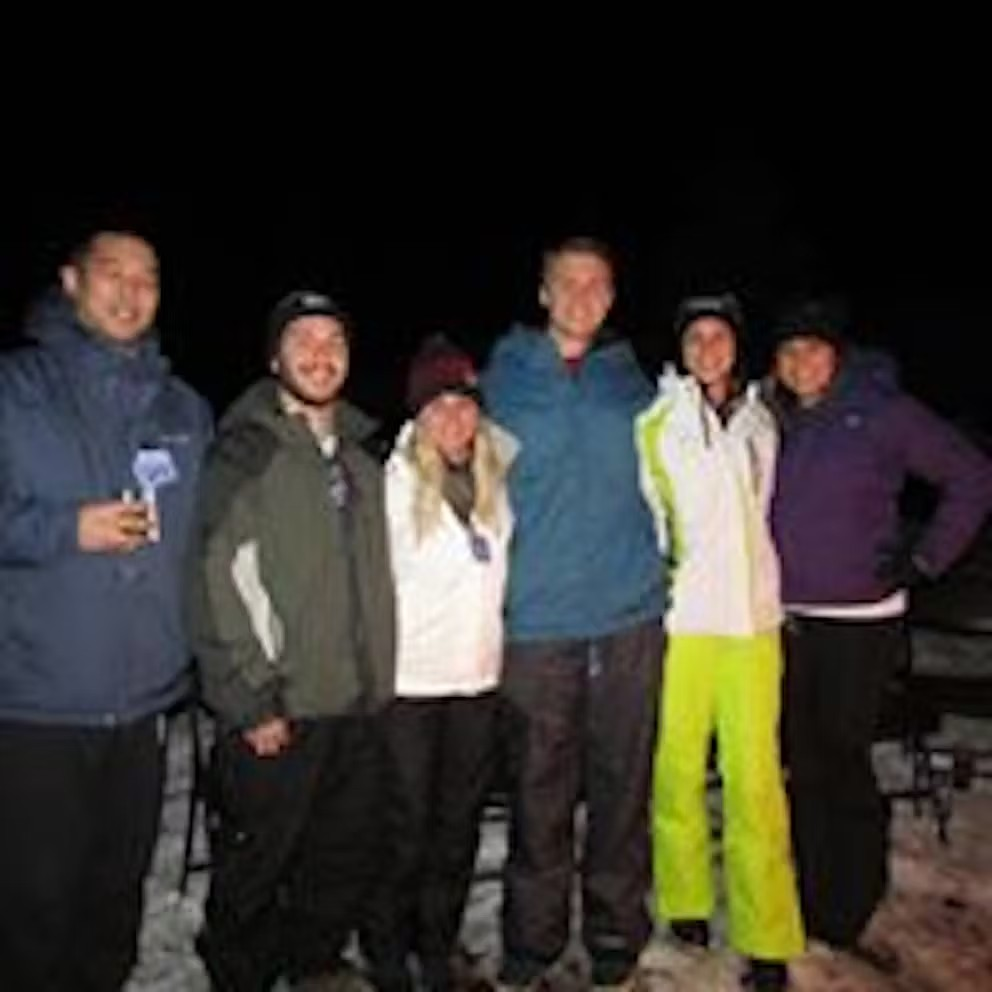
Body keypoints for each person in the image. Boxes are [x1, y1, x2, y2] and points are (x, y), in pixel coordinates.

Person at [0, 229, 212, 991]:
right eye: (110, 273)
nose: (130, 291)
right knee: (33, 904)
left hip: (144, 706)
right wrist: (63, 529)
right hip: (38, 706)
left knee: (113, 900)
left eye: (147, 278)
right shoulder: (16, 389)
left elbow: (209, 548)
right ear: (70, 280)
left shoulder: (184, 409)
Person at [768, 296, 992, 954]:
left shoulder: (882, 410)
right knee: (802, 762)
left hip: (860, 622)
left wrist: (924, 558)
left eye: (811, 347)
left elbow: (973, 476)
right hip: (788, 618)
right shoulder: (780, 420)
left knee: (842, 757)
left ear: (837, 353)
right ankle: (810, 892)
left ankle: (850, 900)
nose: (799, 361)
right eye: (787, 351)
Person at [187, 290, 396, 992]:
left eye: (333, 340)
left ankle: (314, 967)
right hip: (280, 710)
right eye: (301, 340)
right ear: (275, 357)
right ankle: (238, 975)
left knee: (338, 861)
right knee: (256, 865)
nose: (319, 353)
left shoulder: (366, 460)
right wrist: (250, 699)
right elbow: (214, 577)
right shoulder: (246, 452)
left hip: (356, 706)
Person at [482, 237, 666, 990]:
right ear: (543, 292)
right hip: (537, 623)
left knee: (623, 787)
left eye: (597, 285)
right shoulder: (500, 383)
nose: (583, 296)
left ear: (613, 296)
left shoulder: (638, 388)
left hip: (629, 617)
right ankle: (532, 939)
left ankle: (618, 932)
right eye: (568, 283)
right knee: (539, 790)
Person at [636, 294, 802, 992]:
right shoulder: (655, 423)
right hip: (683, 624)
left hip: (755, 623)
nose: (708, 347)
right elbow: (643, 518)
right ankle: (685, 901)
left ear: (737, 346)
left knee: (756, 781)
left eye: (720, 336)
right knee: (675, 770)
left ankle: (766, 933)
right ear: (681, 348)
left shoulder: (763, 420)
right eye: (696, 337)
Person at [365, 335, 516, 992]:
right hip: (409, 686)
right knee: (403, 828)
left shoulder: (493, 481)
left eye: (464, 404)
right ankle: (387, 946)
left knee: (457, 829)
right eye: (438, 405)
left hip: (477, 681)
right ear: (417, 415)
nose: (453, 418)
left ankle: (437, 941)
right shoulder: (388, 482)